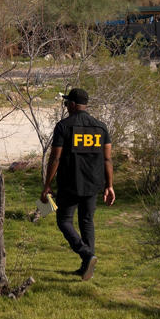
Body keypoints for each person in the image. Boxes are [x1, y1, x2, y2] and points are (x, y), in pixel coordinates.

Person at [40, 88, 115, 281]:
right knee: (86, 222)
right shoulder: (101, 127)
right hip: (93, 184)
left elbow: (55, 158)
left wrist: (47, 184)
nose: (66, 107)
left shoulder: (63, 126)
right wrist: (109, 185)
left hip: (69, 184)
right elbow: (107, 159)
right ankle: (86, 267)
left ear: (73, 105)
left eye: (67, 104)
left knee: (64, 221)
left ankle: (86, 255)